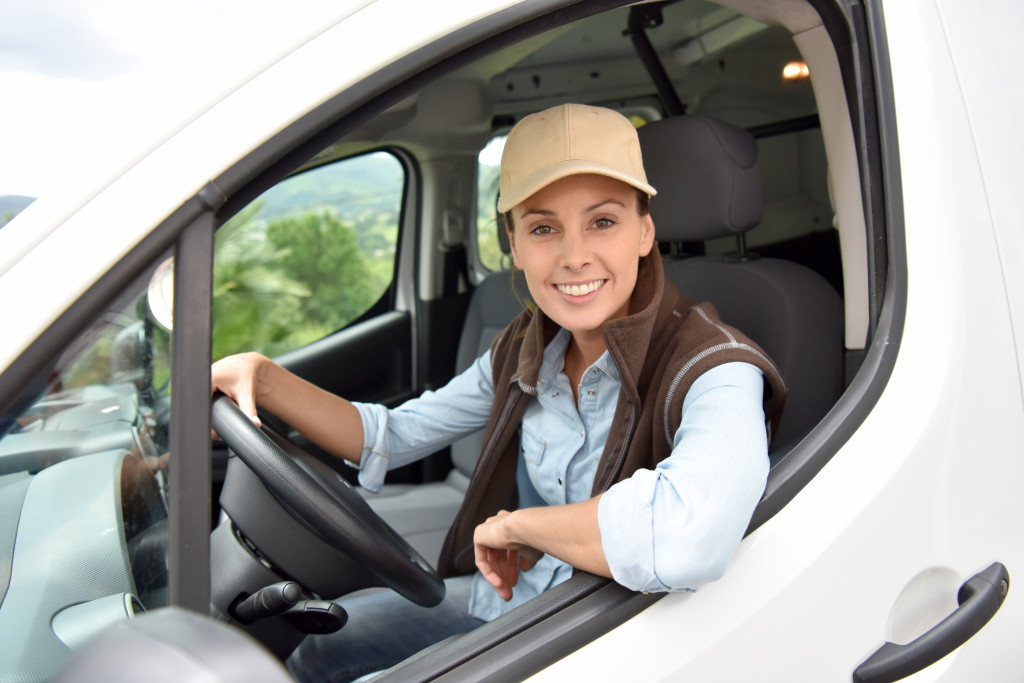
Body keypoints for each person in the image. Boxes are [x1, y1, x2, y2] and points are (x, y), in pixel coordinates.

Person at [211, 103, 785, 682]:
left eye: (603, 222)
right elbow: (393, 434)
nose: (574, 255)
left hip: (609, 633)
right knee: (320, 648)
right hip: (513, 604)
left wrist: (520, 527)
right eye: (542, 228)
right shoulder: (523, 349)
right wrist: (265, 377)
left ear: (644, 230)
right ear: (512, 241)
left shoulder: (716, 367)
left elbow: (686, 536)